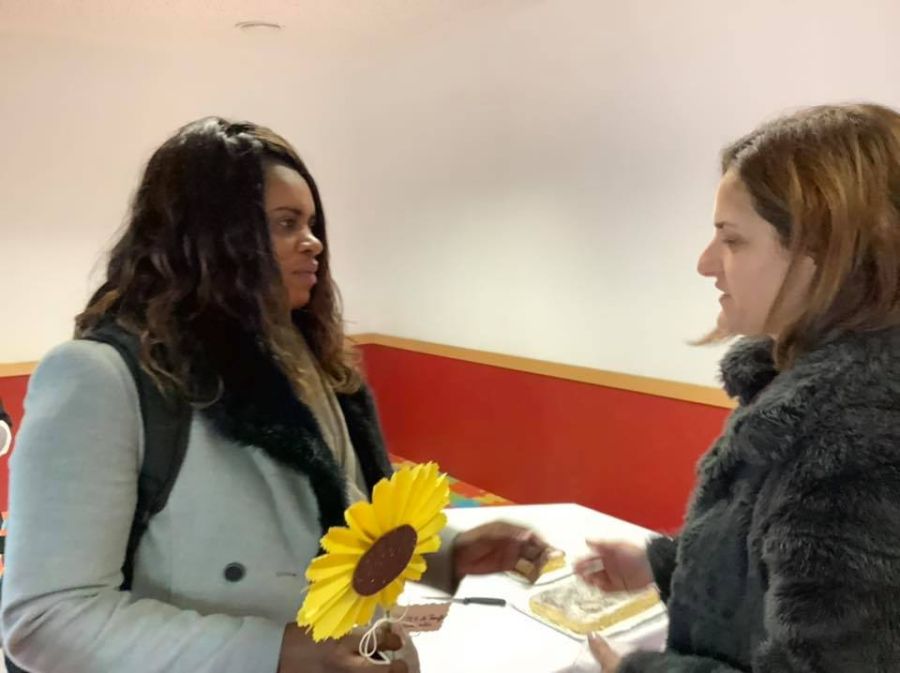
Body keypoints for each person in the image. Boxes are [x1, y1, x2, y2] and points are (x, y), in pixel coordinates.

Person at [0, 117, 549, 673]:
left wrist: (449, 551)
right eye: (286, 224)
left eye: (311, 224)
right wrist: (281, 651)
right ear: (206, 238)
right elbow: (47, 620)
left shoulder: (315, 362)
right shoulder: (103, 378)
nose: (313, 243)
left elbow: (345, 513)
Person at [578, 103, 900, 672]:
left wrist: (636, 670)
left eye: (732, 240)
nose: (706, 264)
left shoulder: (862, 441)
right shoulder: (805, 396)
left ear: (822, 253)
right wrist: (660, 565)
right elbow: (776, 563)